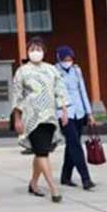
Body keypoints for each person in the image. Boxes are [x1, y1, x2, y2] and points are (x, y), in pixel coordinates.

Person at [12, 37, 69, 203]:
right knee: (42, 152)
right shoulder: (22, 71)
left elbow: (60, 91)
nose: (35, 52)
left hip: (49, 117)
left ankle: (34, 183)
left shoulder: (52, 70)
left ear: (44, 51)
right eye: (32, 49)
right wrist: (17, 118)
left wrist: (64, 111)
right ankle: (53, 188)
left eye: (38, 49)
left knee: (41, 151)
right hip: (32, 117)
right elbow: (17, 96)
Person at [54, 46, 96, 191]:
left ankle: (66, 176)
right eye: (65, 59)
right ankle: (86, 178)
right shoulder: (54, 72)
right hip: (64, 113)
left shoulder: (76, 70)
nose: (68, 61)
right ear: (59, 58)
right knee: (75, 145)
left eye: (70, 59)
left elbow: (82, 91)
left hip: (79, 111)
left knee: (72, 144)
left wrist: (89, 113)